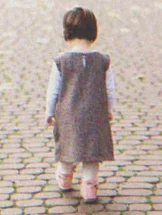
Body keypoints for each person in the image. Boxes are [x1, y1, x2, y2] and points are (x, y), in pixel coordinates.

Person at [45, 6, 115, 203]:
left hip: (69, 114)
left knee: (67, 147)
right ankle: (90, 185)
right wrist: (108, 110)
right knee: (92, 153)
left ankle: (65, 178)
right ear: (94, 33)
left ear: (67, 33)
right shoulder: (103, 60)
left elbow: (53, 91)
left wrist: (49, 112)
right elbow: (110, 90)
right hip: (95, 114)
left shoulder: (61, 61)